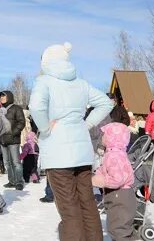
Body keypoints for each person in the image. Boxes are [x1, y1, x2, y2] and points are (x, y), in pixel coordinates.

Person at [29, 42, 112, 240]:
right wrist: (86, 124)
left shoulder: (44, 81)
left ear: (46, 61)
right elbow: (106, 103)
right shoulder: (81, 83)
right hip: (82, 151)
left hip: (58, 154)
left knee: (69, 207)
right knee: (87, 202)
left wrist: (45, 129)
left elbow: (36, 107)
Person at [92, 123, 136, 240]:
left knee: (117, 228)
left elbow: (117, 179)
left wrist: (101, 180)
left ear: (112, 138)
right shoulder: (118, 153)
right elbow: (107, 169)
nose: (102, 138)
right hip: (123, 196)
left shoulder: (113, 156)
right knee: (121, 227)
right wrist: (99, 172)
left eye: (104, 135)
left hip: (119, 196)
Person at [0, 90, 26, 191]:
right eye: (0, 97)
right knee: (6, 163)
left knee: (16, 162)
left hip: (13, 139)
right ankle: (12, 181)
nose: (1, 98)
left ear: (9, 97)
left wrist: (13, 133)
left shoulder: (16, 108)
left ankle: (19, 182)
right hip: (2, 140)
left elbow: (21, 122)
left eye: (3, 96)